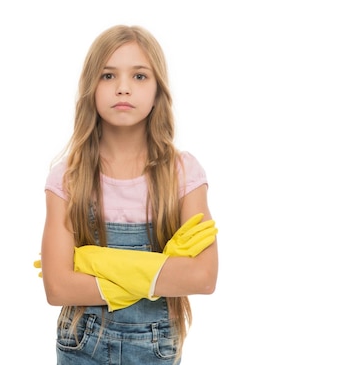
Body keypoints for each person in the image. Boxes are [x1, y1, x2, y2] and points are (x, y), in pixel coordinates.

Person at [35, 25, 219, 364]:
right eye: (107, 76)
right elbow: (57, 287)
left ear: (157, 89)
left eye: (139, 76)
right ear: (91, 87)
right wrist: (161, 270)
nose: (122, 88)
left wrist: (93, 263)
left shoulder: (182, 174)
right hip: (81, 344)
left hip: (156, 346)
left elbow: (203, 278)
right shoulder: (68, 178)